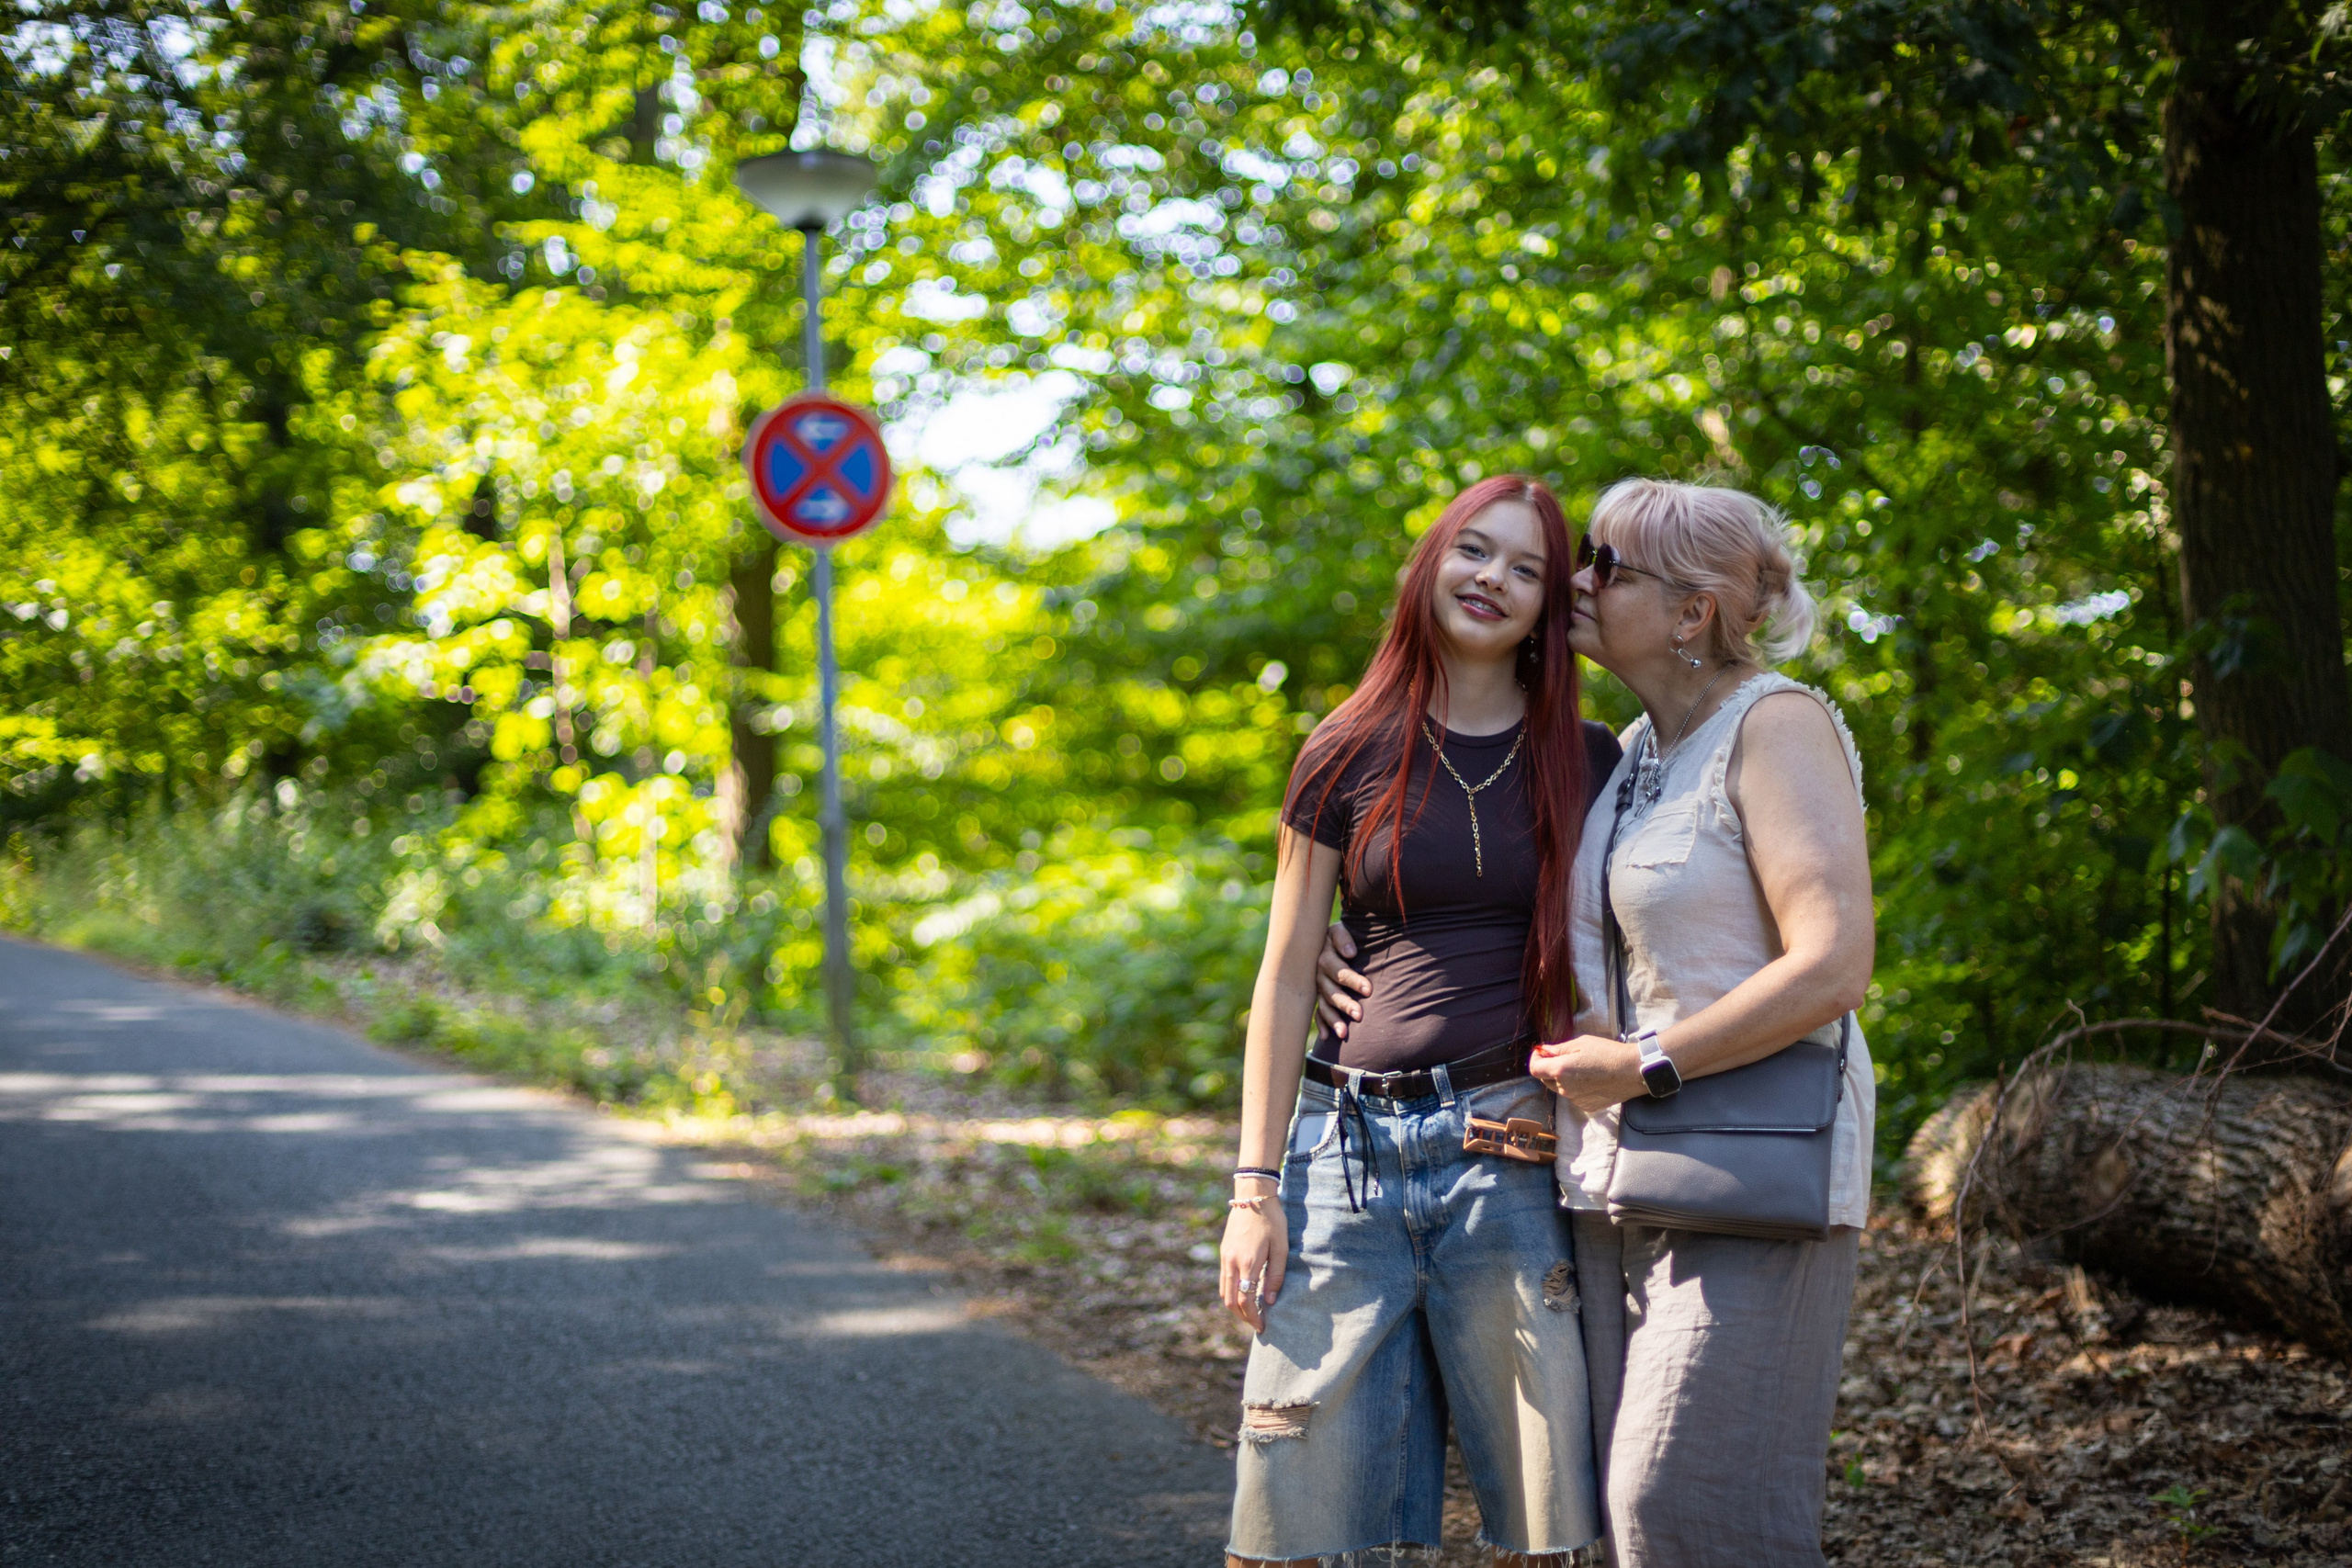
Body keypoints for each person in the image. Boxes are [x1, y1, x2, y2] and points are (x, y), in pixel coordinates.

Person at [1317, 477, 1875, 1568]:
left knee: (1682, 1503)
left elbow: (1834, 964)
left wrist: (1646, 1065)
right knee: (1621, 1525)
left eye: (1604, 565)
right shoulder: (1624, 757)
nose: (1572, 579)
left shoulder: (1778, 726)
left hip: (1753, 1174)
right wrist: (1359, 937)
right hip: (1610, 1178)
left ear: (1689, 612)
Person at [1219, 475, 1621, 1567]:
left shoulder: (1590, 760)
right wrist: (1254, 1189)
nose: (1492, 579)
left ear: (1552, 609)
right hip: (1340, 1158)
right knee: (1296, 1503)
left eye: (1527, 568)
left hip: (1509, 1149)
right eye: (1474, 551)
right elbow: (1284, 973)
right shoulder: (1345, 747)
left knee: (1547, 1519)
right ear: (1433, 563)